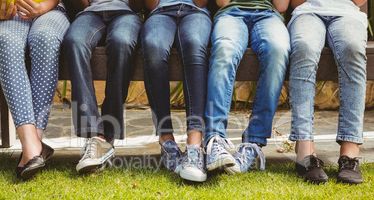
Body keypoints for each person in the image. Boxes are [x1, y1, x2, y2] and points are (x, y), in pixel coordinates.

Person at [204, 0, 291, 174]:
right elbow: (222, 2)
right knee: (225, 49)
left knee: (278, 50)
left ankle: (254, 141)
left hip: (268, 14)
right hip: (230, 13)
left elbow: (281, 6)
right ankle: (215, 139)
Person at [288, 0, 367, 184]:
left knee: (352, 48)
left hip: (348, 13)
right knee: (304, 47)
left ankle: (350, 152)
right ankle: (304, 149)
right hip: (307, 12)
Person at [0, 0, 70, 180]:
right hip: (11, 12)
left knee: (45, 38)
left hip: (52, 10)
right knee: (5, 40)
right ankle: (32, 146)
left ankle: (33, 148)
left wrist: (43, 7)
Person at [63, 0, 143, 173]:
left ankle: (107, 134)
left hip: (126, 13)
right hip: (91, 12)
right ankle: (95, 135)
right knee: (74, 41)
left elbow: (139, 4)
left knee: (122, 43)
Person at [140, 0, 212, 182]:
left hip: (196, 10)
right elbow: (150, 4)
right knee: (153, 47)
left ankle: (195, 144)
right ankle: (166, 141)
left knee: (195, 45)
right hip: (160, 12)